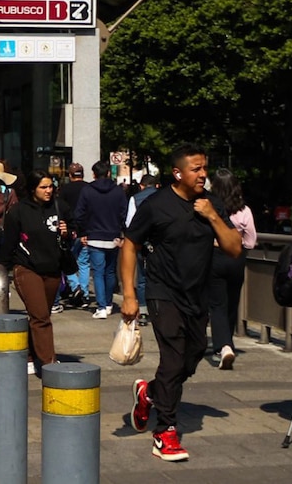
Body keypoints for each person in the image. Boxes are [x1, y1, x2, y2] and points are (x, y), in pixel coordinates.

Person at [120, 143, 242, 462]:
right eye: (196, 169)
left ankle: (149, 393)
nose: (203, 174)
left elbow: (234, 248)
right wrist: (130, 295)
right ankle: (166, 431)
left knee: (193, 354)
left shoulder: (210, 203)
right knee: (173, 360)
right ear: (178, 173)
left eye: (205, 168)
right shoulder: (156, 205)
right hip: (163, 293)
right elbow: (130, 244)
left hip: (197, 295)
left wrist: (213, 215)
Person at [0, 170, 71, 376]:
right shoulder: (18, 211)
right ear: (33, 189)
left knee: (40, 316)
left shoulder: (60, 207)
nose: (49, 191)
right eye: (43, 187)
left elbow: (73, 234)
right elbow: (9, 244)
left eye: (51, 187)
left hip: (53, 269)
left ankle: (29, 354)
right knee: (40, 316)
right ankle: (50, 363)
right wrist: (2, 271)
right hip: (26, 268)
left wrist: (67, 233)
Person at [207, 169, 257, 370]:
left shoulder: (209, 209)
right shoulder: (244, 210)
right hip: (237, 258)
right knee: (232, 302)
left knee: (217, 304)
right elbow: (251, 241)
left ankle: (223, 345)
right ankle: (229, 341)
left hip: (214, 257)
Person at [76, 160, 128, 319]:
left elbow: (79, 214)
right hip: (113, 236)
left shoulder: (87, 191)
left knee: (98, 272)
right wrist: (122, 233)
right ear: (108, 173)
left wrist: (82, 232)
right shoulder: (118, 192)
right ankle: (109, 303)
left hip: (94, 236)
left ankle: (101, 306)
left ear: (94, 174)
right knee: (110, 272)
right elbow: (124, 214)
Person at [125, 173, 159, 325]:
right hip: (161, 244)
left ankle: (144, 311)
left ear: (141, 186)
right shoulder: (164, 197)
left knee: (142, 278)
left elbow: (130, 223)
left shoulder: (135, 199)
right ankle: (159, 311)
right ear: (157, 185)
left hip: (143, 244)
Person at [56, 163, 90, 308]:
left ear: (70, 175)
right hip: (87, 232)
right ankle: (84, 293)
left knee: (66, 261)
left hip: (70, 232)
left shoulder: (64, 191)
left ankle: (75, 287)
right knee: (83, 263)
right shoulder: (89, 188)